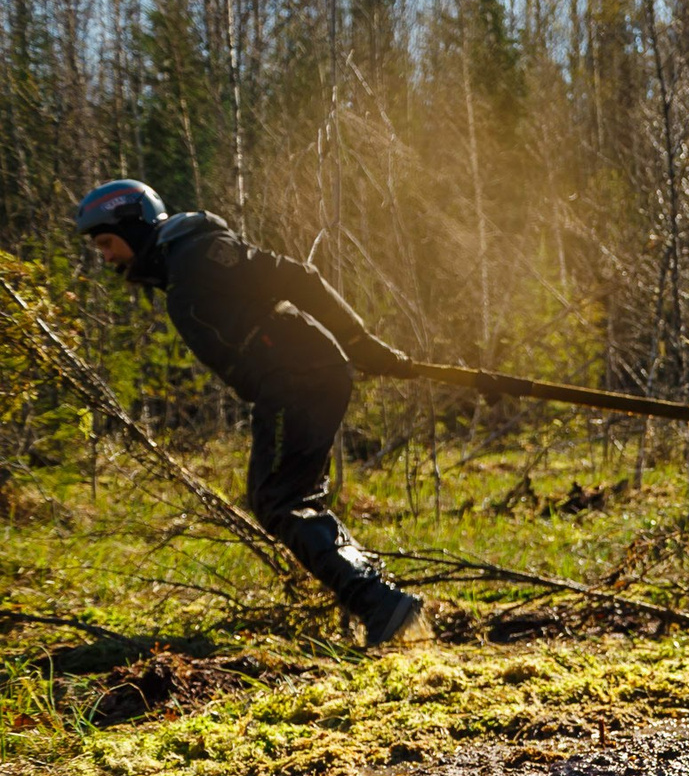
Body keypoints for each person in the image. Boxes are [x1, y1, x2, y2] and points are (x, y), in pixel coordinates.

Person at [73, 180, 435, 647]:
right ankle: (380, 602)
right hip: (294, 378)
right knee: (289, 497)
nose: (106, 257)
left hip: (299, 376)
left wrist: (358, 341)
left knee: (279, 499)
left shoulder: (198, 253)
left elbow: (298, 278)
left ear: (133, 224)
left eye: (107, 242)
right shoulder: (177, 264)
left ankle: (380, 604)